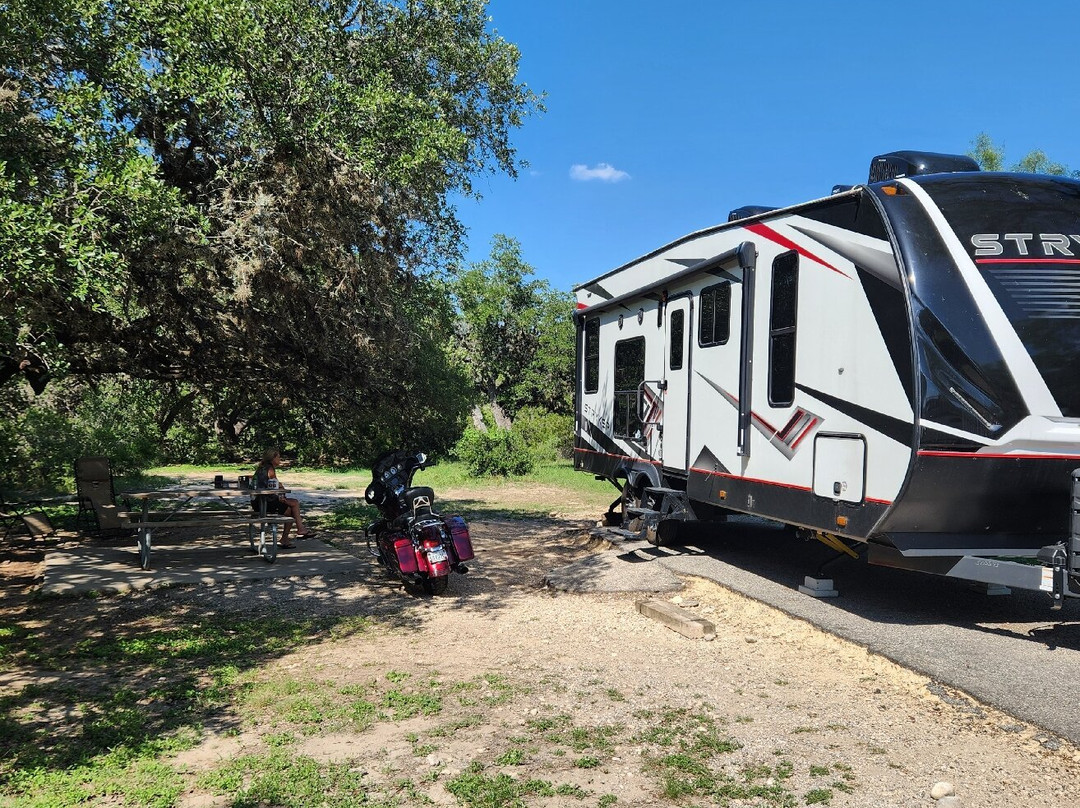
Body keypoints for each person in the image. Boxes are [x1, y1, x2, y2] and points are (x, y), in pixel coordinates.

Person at [253, 448, 314, 548]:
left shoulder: (262, 468)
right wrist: (281, 495)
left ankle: (294, 533)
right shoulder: (270, 469)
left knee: (292, 509)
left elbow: (274, 485)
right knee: (294, 505)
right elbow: (275, 486)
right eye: (278, 457)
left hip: (258, 502)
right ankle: (299, 530)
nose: (280, 459)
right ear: (273, 458)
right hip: (267, 503)